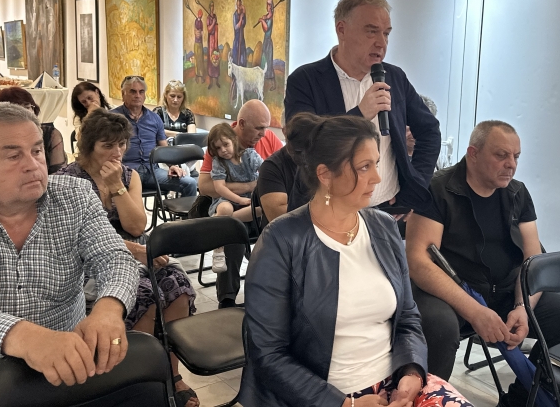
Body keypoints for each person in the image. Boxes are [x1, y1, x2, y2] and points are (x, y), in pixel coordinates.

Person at [239, 113, 472, 407]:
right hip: (321, 396)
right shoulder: (281, 241)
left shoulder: (383, 228)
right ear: (325, 175)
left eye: (376, 164)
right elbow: (267, 353)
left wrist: (412, 370)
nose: (377, 178)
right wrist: (344, 404)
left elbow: (407, 317)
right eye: (364, 167)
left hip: (394, 380)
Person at [405, 120, 560, 407]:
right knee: (439, 327)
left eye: (516, 156)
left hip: (504, 292)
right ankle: (428, 401)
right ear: (473, 154)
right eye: (501, 155)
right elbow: (419, 262)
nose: (511, 164)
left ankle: (520, 401)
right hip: (450, 293)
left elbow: (533, 260)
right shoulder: (438, 189)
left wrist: (523, 307)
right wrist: (475, 311)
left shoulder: (518, 193)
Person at [0, 103, 139, 406]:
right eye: (13, 156)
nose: (33, 165)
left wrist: (109, 308)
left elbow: (114, 257)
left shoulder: (75, 196)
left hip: (68, 372)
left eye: (36, 151)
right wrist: (24, 337)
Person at [55, 109, 200, 407]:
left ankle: (171, 373)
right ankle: (136, 378)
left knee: (178, 283)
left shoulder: (127, 175)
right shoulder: (66, 181)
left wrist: (117, 188)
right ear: (89, 146)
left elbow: (136, 227)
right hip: (90, 259)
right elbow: (79, 239)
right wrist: (136, 251)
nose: (117, 152)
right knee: (145, 294)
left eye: (121, 144)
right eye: (107, 145)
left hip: (134, 246)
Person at [284, 0, 441, 215]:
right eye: (371, 31)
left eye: (386, 33)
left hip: (386, 211)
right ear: (342, 30)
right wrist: (359, 114)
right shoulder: (305, 80)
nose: (381, 43)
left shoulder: (394, 77)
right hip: (325, 212)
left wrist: (414, 188)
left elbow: (430, 131)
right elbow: (300, 145)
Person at [197, 99, 283, 308]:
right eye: (259, 128)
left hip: (259, 208)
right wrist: (249, 186)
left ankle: (271, 294)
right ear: (242, 124)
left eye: (266, 127)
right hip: (230, 206)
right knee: (232, 232)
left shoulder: (268, 139)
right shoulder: (222, 142)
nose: (264, 133)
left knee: (281, 226)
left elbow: (281, 174)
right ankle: (227, 300)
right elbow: (205, 186)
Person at [112, 75, 197, 197]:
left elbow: (163, 147)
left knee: (189, 183)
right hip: (125, 171)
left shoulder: (154, 118)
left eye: (141, 92)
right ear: (123, 94)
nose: (137, 95)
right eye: (133, 91)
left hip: (152, 171)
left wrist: (172, 166)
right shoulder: (112, 118)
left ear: (145, 95)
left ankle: (186, 211)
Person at [205, 123, 263, 272]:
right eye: (218, 148)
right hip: (227, 199)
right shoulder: (219, 162)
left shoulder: (249, 155)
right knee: (224, 208)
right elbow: (220, 188)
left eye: (226, 144)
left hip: (249, 202)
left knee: (261, 209)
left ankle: (219, 222)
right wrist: (239, 200)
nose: (223, 150)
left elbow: (265, 171)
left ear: (234, 140)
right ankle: (218, 250)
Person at [256, 113, 315, 224]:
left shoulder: (321, 161)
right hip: (286, 232)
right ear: (285, 131)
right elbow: (277, 218)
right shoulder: (271, 167)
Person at [0, 86, 66, 174]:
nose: (23, 113)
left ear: (34, 109)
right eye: (16, 109)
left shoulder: (51, 135)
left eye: (27, 107)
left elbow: (59, 175)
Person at [258, 0, 276, 91]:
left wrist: (262, 20)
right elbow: (264, 28)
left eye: (269, 4)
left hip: (268, 42)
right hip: (265, 40)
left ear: (271, 6)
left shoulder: (271, 17)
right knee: (263, 61)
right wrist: (263, 20)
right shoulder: (267, 16)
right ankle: (262, 84)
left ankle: (273, 84)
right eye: (267, 4)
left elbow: (266, 29)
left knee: (269, 63)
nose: (267, 6)